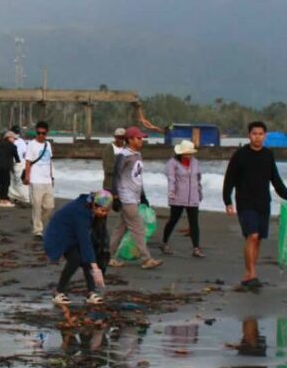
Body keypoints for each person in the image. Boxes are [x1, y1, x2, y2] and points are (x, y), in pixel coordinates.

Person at [222, 121, 287, 289]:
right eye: (254, 133)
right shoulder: (240, 155)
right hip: (245, 203)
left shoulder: (268, 155)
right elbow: (229, 179)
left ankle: (248, 275)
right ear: (249, 135)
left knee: (258, 240)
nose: (257, 136)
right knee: (252, 235)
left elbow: (276, 180)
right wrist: (227, 201)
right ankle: (252, 273)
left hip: (263, 203)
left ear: (265, 136)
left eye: (260, 134)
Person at [44, 190, 112, 305]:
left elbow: (98, 235)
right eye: (102, 210)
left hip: (74, 233)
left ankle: (91, 293)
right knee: (76, 258)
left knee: (88, 259)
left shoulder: (94, 206)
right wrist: (95, 268)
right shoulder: (81, 213)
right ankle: (58, 293)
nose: (104, 213)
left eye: (107, 211)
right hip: (60, 234)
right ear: (94, 205)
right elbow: (84, 240)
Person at [108, 126, 162, 269]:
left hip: (135, 197)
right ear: (130, 139)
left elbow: (137, 177)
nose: (141, 140)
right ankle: (146, 259)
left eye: (141, 138)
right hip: (126, 197)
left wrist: (143, 196)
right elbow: (116, 176)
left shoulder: (137, 154)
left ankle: (108, 257)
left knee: (120, 229)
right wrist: (115, 196)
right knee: (138, 228)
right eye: (138, 138)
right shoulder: (123, 155)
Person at [161, 140, 204, 257]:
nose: (189, 156)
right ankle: (164, 242)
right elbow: (171, 179)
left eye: (190, 153)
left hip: (193, 197)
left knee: (194, 223)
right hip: (178, 196)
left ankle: (196, 248)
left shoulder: (195, 162)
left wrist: (200, 192)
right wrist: (171, 192)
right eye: (187, 153)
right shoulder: (172, 163)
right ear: (181, 153)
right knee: (173, 220)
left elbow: (198, 179)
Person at [23, 121, 55, 239]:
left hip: (47, 180)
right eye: (38, 133)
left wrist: (52, 177)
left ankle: (36, 220)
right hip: (35, 180)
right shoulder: (31, 144)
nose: (41, 135)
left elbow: (50, 162)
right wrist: (27, 176)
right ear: (36, 132)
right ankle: (38, 230)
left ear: (47, 133)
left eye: (43, 133)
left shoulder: (48, 145)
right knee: (37, 205)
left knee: (49, 207)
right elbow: (28, 162)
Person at [0, 131, 18, 207]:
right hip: (5, 167)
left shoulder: (0, 145)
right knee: (6, 183)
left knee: (1, 183)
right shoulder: (12, 146)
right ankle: (4, 201)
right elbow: (17, 158)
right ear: (9, 138)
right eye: (14, 138)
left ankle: (2, 200)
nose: (14, 140)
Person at [7, 126, 30, 206]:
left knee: (13, 181)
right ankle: (21, 197)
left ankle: (20, 197)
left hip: (15, 163)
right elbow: (25, 153)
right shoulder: (22, 141)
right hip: (21, 163)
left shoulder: (11, 141)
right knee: (19, 181)